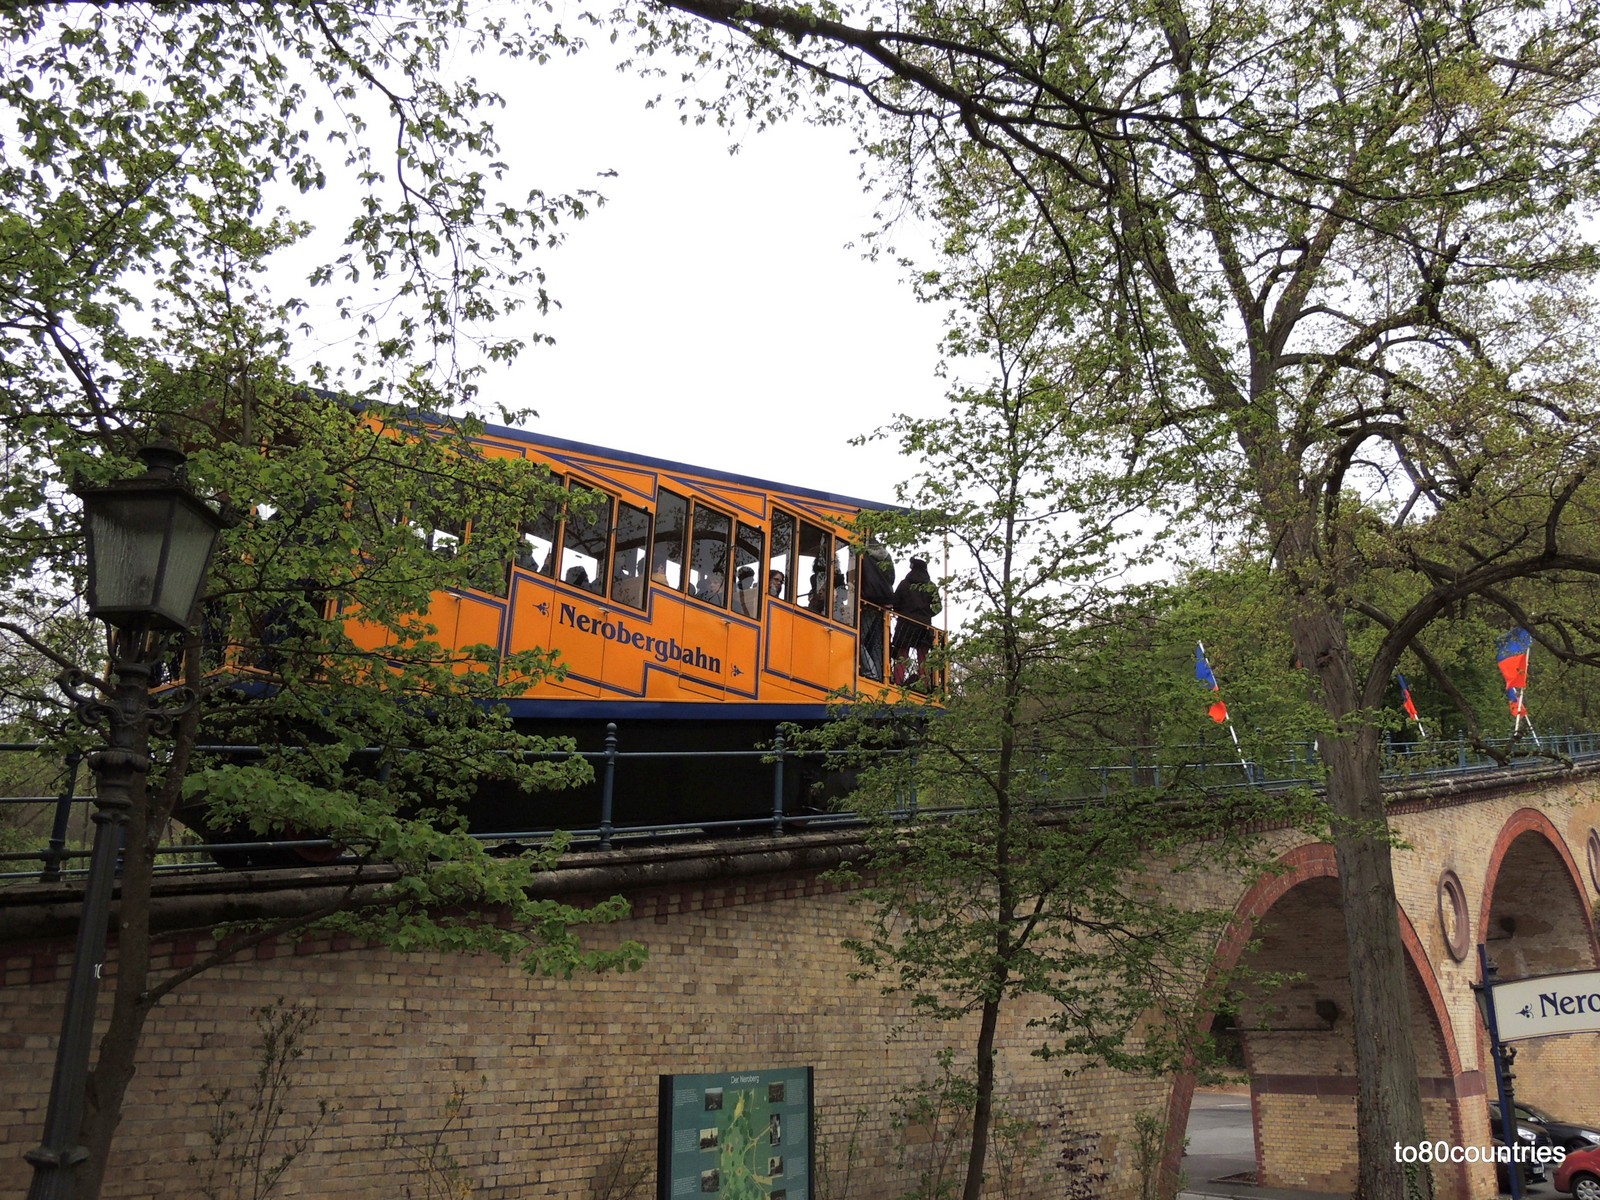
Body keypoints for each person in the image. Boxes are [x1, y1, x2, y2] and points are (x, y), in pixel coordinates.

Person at [890, 556, 939, 686]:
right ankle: (924, 684)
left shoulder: (904, 584)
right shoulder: (930, 586)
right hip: (924, 626)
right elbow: (938, 607)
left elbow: (895, 602)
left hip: (905, 624)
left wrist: (902, 612)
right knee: (923, 656)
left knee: (902, 654)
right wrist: (926, 614)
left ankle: (898, 682)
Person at [859, 544, 895, 680]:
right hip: (884, 602)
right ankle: (879, 676)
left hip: (868, 600)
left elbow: (857, 574)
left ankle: (871, 672)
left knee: (857, 638)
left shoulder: (863, 552)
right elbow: (892, 577)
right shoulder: (886, 556)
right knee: (877, 642)